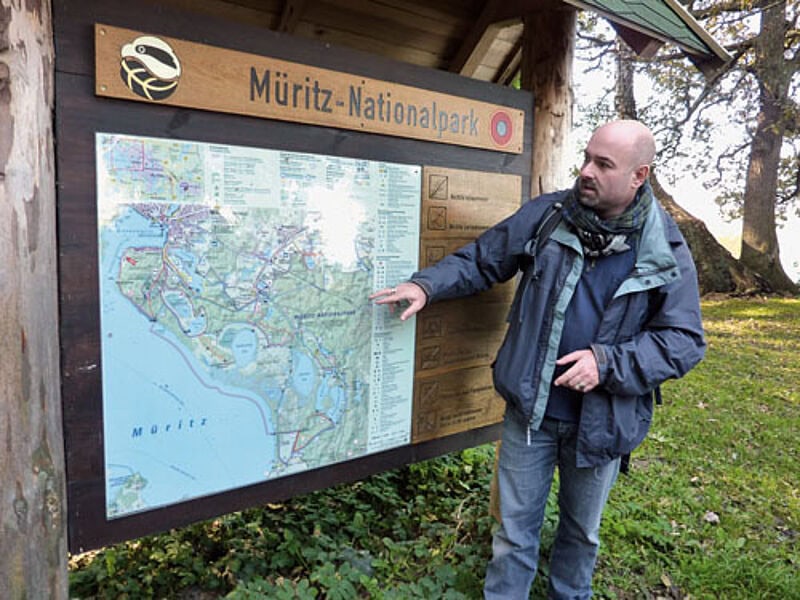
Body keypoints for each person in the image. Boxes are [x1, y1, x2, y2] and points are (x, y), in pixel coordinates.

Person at [370, 120, 706, 599]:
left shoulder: (663, 247)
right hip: (531, 413)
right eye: (586, 157)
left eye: (603, 164)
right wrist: (425, 285)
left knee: (581, 534)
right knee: (513, 535)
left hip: (603, 423)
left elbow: (684, 339)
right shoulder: (549, 216)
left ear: (639, 175)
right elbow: (484, 258)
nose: (585, 171)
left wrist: (606, 364)